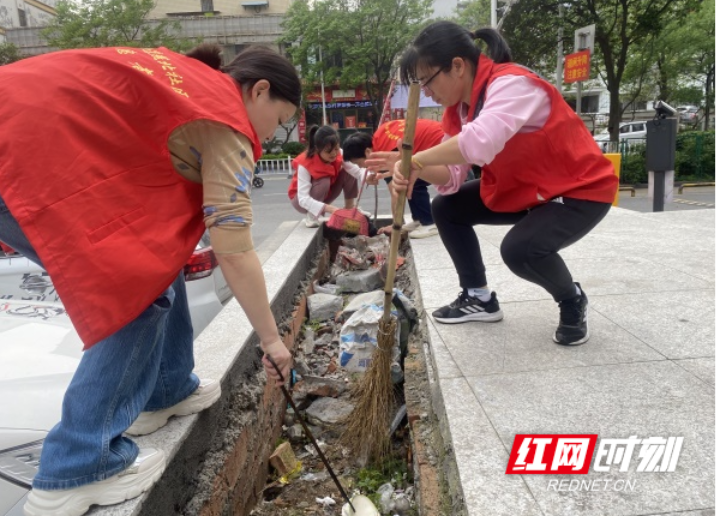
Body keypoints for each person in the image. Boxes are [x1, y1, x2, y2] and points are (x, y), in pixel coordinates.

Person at [0, 43, 300, 516]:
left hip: (22, 132)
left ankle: (166, 389)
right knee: (136, 290)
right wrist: (272, 340)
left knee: (158, 258)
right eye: (280, 119)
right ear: (260, 91)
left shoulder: (190, 81)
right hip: (21, 157)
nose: (275, 133)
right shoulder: (227, 124)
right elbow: (236, 251)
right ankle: (76, 468)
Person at [387, 21, 618, 346]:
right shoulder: (459, 111)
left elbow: (481, 142)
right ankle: (478, 296)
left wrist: (419, 159)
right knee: (446, 207)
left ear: (456, 66)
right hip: (529, 190)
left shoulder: (511, 84)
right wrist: (415, 170)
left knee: (520, 250)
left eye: (426, 81)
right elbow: (452, 178)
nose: (425, 92)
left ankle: (571, 299)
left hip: (579, 190)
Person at [342, 119, 444, 239]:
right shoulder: (380, 139)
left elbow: (395, 191)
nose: (361, 167)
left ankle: (428, 222)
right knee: (410, 177)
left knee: (410, 179)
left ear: (368, 151)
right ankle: (419, 219)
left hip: (441, 143)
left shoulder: (387, 151)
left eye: (359, 163)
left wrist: (396, 224)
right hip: (438, 137)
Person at [288, 125, 366, 228]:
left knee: (348, 171)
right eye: (328, 151)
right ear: (317, 149)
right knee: (323, 180)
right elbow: (303, 199)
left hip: (325, 194)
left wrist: (368, 176)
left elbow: (355, 170)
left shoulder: (339, 153)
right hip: (300, 201)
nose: (334, 153)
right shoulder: (305, 163)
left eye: (336, 149)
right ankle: (312, 215)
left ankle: (350, 208)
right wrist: (332, 209)